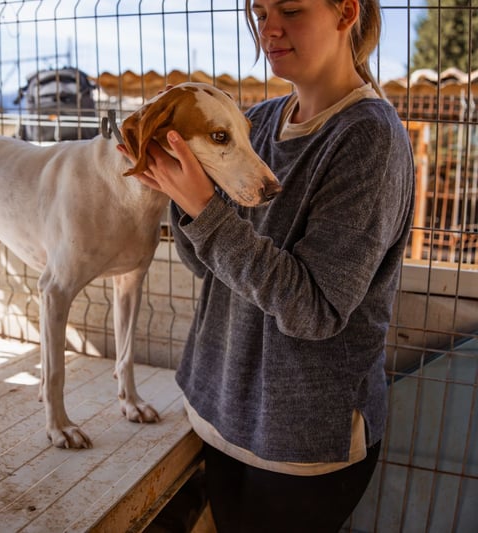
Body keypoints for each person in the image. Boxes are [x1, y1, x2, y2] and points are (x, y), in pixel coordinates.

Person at [118, 0, 414, 531]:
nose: (269, 29)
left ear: (346, 12)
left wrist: (205, 210)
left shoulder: (368, 138)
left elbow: (316, 311)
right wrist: (182, 199)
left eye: (291, 9)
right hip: (220, 414)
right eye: (259, 12)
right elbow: (208, 267)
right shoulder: (253, 122)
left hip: (298, 447)